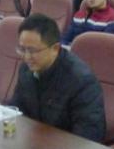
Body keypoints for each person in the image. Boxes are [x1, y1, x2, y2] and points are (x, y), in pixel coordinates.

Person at [9, 14, 106, 142]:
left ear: (55, 48)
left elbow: (88, 137)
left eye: (32, 51)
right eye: (22, 49)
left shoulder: (81, 81)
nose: (26, 57)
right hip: (34, 142)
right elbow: (16, 110)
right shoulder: (26, 69)